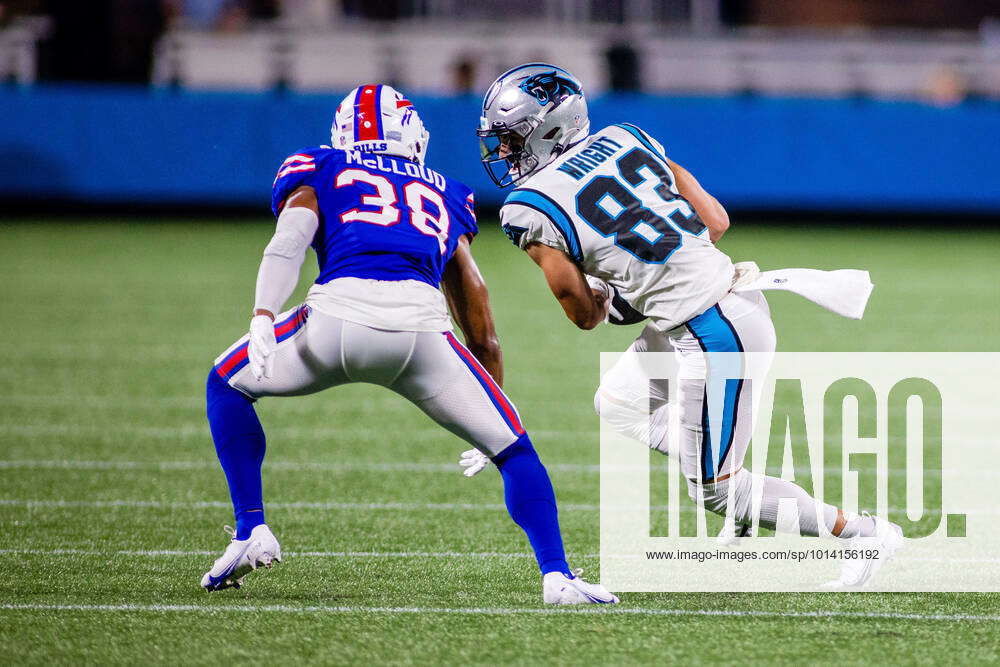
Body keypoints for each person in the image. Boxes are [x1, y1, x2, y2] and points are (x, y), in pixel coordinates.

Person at [463, 63, 902, 589]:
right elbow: (715, 221)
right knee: (620, 402)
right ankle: (732, 467)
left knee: (713, 491)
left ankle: (863, 532)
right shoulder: (627, 137)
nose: (505, 153)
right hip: (725, 304)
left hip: (713, 331)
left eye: (512, 140)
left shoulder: (528, 207)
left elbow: (582, 313)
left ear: (547, 129)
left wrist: (618, 293)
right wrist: (643, 281)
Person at [201, 83, 617, 605]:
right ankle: (557, 576)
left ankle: (250, 528)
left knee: (226, 382)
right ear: (413, 134)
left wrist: (264, 313)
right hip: (422, 335)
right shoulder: (445, 189)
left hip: (334, 320)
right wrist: (491, 405)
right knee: (515, 451)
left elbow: (288, 242)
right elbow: (478, 313)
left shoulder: (320, 165)